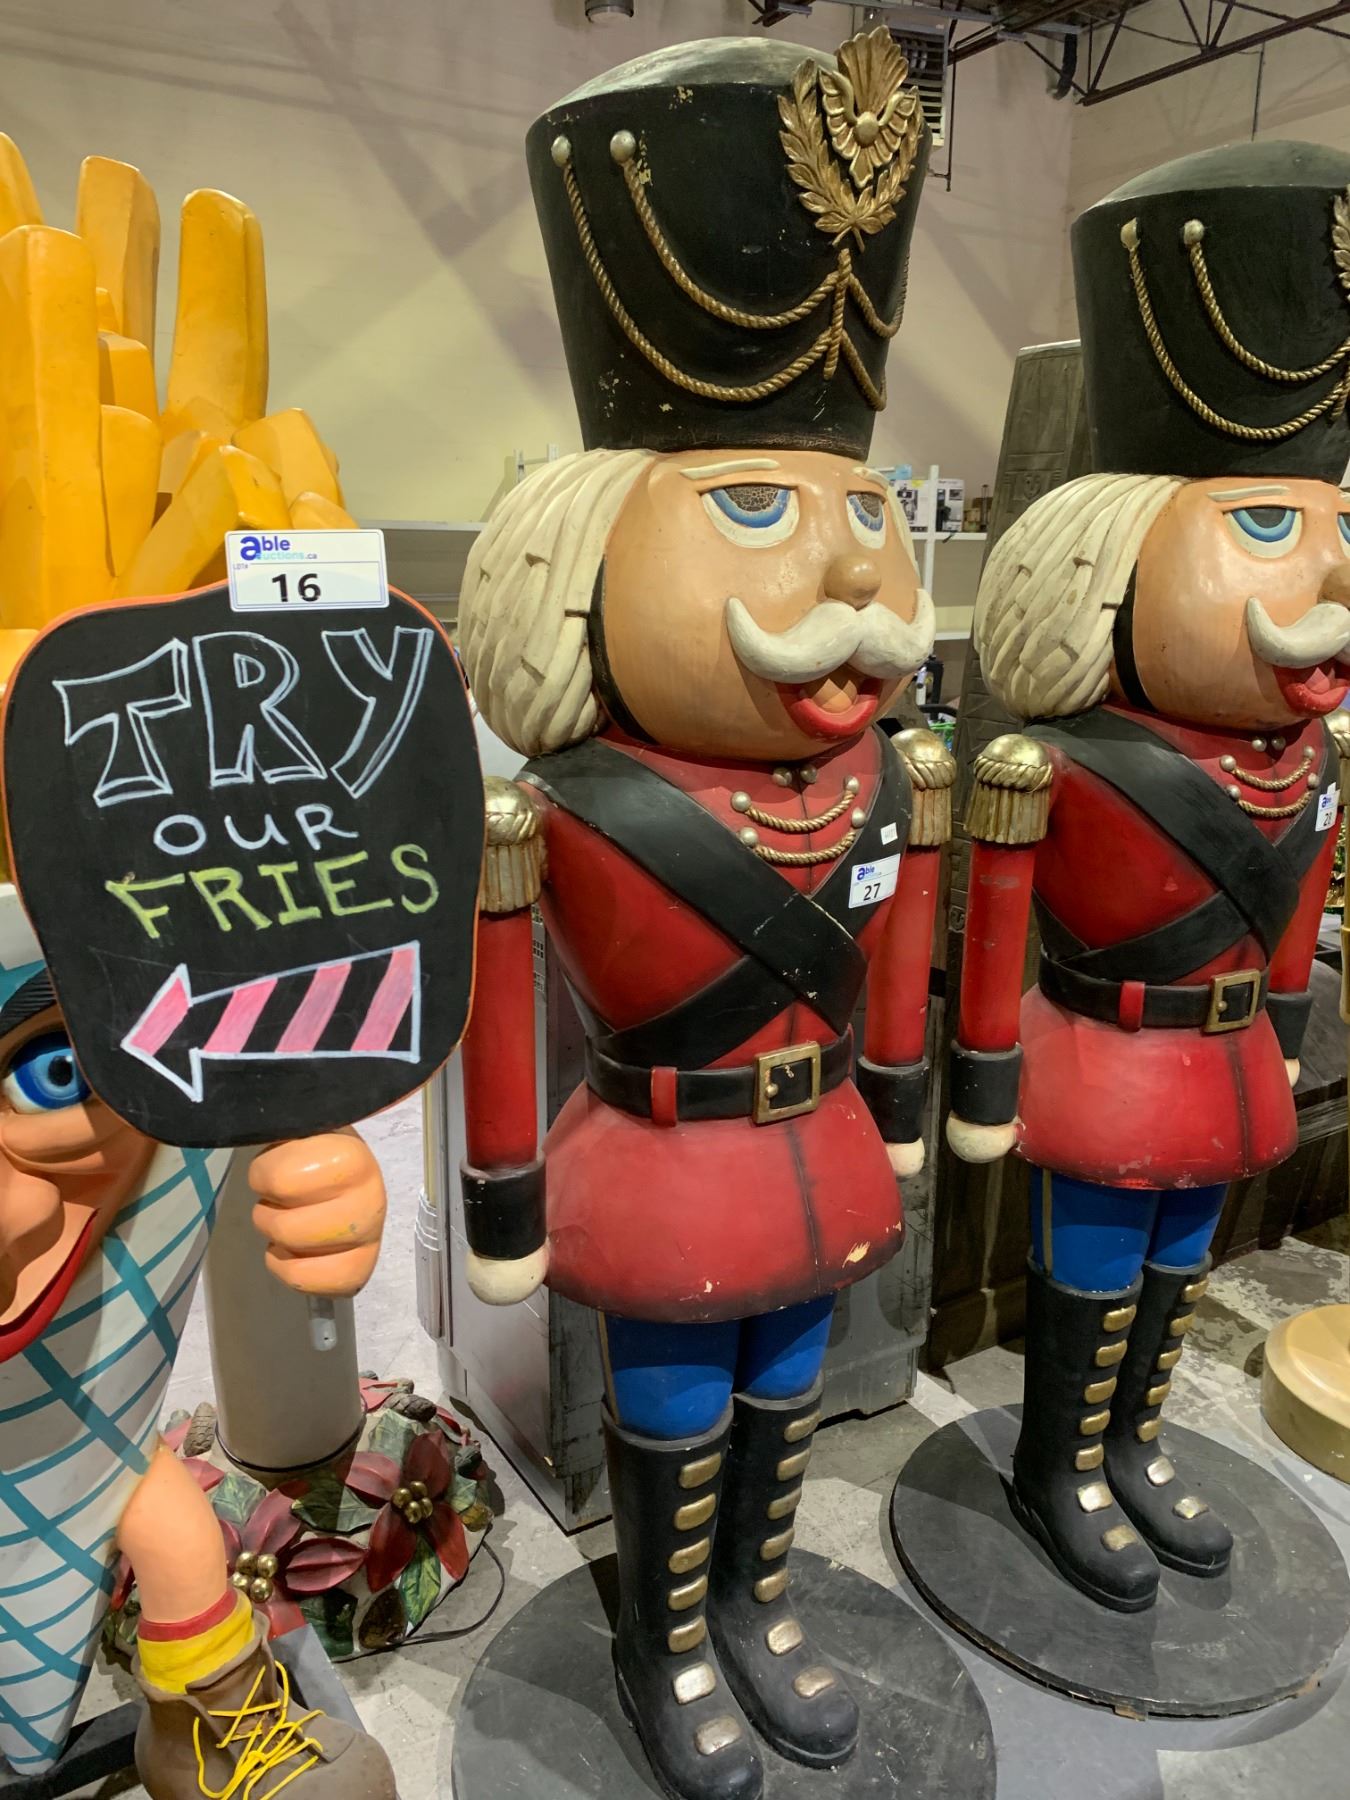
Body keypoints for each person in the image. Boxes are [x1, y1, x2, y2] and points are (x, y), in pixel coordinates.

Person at [456, 27, 952, 1800]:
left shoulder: (889, 778)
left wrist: (902, 1107)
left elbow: (897, 953)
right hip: (659, 1157)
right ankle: (663, 1640)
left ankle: (756, 1600)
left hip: (818, 1147)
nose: (851, 571)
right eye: (751, 506)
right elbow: (496, 1003)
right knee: (671, 1398)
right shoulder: (566, 804)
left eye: (864, 511)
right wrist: (499, 1202)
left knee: (791, 1387)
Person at [950, 140, 1350, 1612]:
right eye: (1268, 527)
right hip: (1105, 1050)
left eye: (1337, 529)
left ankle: (1134, 1437)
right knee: (1097, 1262)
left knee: (1182, 1260)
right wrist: (984, 1073)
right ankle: (1058, 1460)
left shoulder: (1304, 758)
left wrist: (1286, 1032)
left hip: (1227, 1054)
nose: (1331, 574)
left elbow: (1294, 912)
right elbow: (995, 921)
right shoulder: (1056, 761)